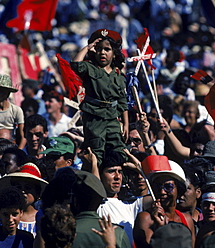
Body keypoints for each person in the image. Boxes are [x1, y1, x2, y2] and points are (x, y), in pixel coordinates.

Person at [71, 28, 129, 166]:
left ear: (114, 53)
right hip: (94, 118)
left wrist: (126, 123)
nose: (102, 52)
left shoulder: (118, 75)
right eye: (98, 49)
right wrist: (87, 47)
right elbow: (75, 65)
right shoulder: (90, 68)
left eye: (107, 49)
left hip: (112, 118)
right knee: (95, 153)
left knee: (118, 152)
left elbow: (122, 101)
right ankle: (94, 181)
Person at [133, 158, 195, 248]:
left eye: (168, 187)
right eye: (158, 186)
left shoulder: (187, 219)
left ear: (179, 189)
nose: (162, 192)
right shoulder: (145, 218)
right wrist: (158, 228)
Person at [96, 150, 152, 245]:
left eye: (120, 172)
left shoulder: (131, 205)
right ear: (100, 175)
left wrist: (140, 169)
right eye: (111, 171)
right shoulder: (94, 204)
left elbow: (160, 195)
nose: (117, 176)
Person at [0, 163, 48, 237]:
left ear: (37, 193)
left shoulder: (43, 218)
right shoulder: (5, 216)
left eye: (28, 188)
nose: (22, 191)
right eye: (18, 187)